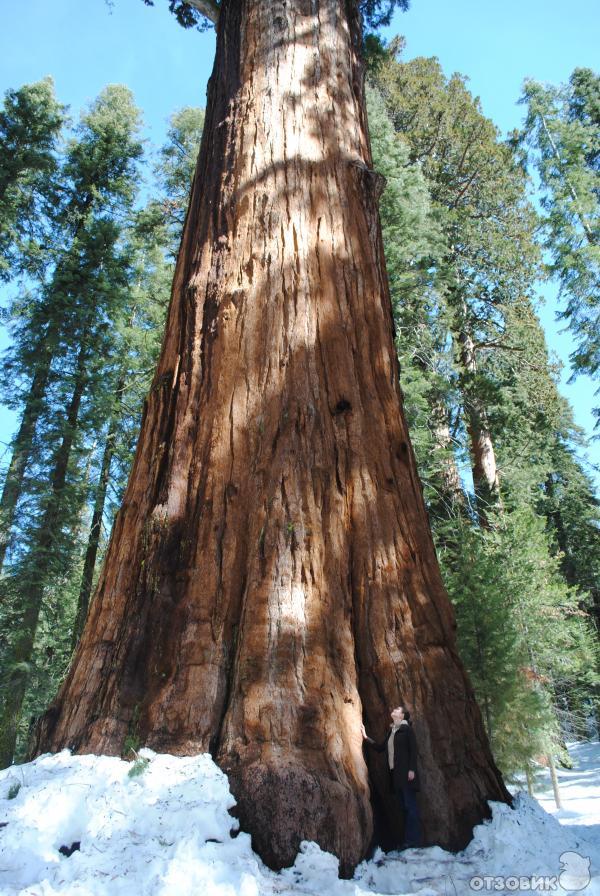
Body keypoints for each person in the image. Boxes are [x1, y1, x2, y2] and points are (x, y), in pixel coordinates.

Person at [361, 705, 422, 848]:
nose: (393, 711)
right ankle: (408, 840)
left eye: (397, 710)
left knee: (410, 806)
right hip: (396, 776)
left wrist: (412, 770)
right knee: (403, 808)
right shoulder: (392, 731)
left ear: (402, 716)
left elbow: (414, 750)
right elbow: (381, 748)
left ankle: (414, 841)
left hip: (407, 774)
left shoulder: (407, 730)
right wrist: (365, 737)